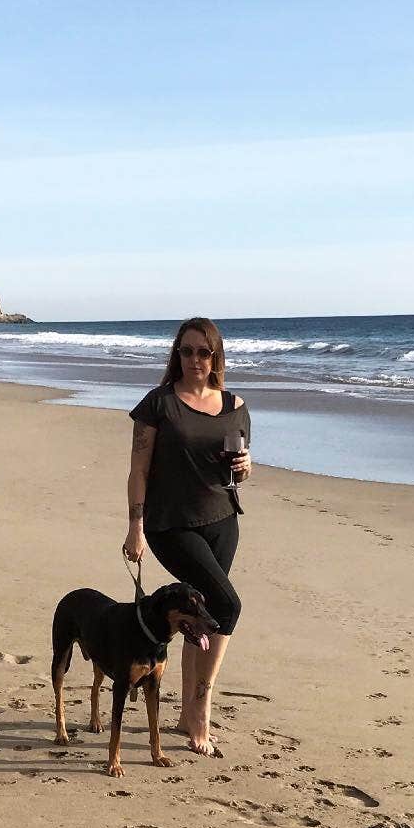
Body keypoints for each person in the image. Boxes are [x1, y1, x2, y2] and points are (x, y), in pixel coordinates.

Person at [122, 316, 251, 756]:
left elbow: (237, 465)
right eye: (186, 351)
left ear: (215, 356)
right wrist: (135, 525)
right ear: (176, 355)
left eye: (203, 351)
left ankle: (182, 715)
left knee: (201, 614)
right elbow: (139, 469)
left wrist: (247, 468)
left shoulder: (234, 404)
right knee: (227, 607)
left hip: (222, 520)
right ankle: (201, 707)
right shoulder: (158, 403)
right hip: (169, 524)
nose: (195, 359)